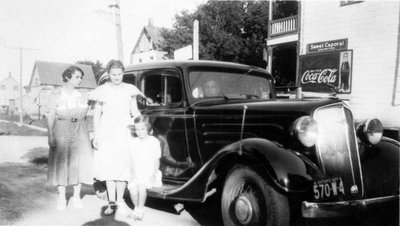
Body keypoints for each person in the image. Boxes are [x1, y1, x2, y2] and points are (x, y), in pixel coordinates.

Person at [91, 59, 145, 216]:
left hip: (124, 131)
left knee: (123, 166)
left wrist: (141, 126)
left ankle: (120, 202)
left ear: (123, 73)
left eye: (119, 74)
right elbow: (97, 114)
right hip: (106, 131)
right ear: (108, 74)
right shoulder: (102, 90)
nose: (116, 77)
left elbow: (135, 111)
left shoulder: (130, 89)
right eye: (113, 74)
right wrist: (96, 135)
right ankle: (111, 203)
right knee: (109, 167)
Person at [46, 66, 93, 211]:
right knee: (62, 161)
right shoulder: (56, 94)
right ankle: (61, 198)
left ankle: (77, 197)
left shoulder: (83, 95)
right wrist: (50, 134)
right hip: (62, 127)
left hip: (80, 129)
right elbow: (51, 115)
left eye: (80, 77)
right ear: (67, 77)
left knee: (79, 162)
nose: (79, 80)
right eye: (76, 77)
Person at [128, 115, 162, 220]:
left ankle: (140, 209)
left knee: (142, 186)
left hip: (149, 171)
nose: (139, 132)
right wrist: (132, 174)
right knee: (133, 190)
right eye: (137, 129)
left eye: (142, 129)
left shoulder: (154, 141)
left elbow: (157, 160)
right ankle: (136, 207)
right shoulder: (134, 142)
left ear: (148, 129)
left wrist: (153, 174)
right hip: (136, 170)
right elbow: (131, 161)